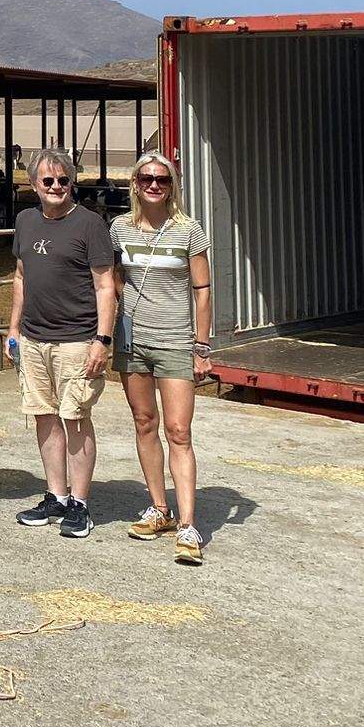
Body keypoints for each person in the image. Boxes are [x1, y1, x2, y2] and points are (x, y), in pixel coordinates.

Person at [8, 147, 117, 538]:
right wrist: (14, 329)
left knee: (76, 418)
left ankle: (80, 503)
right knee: (44, 415)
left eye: (63, 180)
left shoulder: (89, 224)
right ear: (34, 184)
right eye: (48, 180)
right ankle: (55, 495)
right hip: (35, 339)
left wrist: (101, 340)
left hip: (77, 340)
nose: (56, 187)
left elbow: (105, 286)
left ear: (73, 183)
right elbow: (20, 277)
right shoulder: (25, 220)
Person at [113, 151, 213, 565]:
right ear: (135, 184)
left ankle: (188, 524)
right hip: (133, 342)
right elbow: (113, 279)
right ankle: (159, 508)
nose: (155, 185)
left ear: (173, 186)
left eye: (163, 179)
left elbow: (202, 289)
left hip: (175, 340)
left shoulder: (189, 230)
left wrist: (201, 346)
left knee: (178, 430)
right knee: (144, 422)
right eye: (147, 179)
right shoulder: (118, 228)